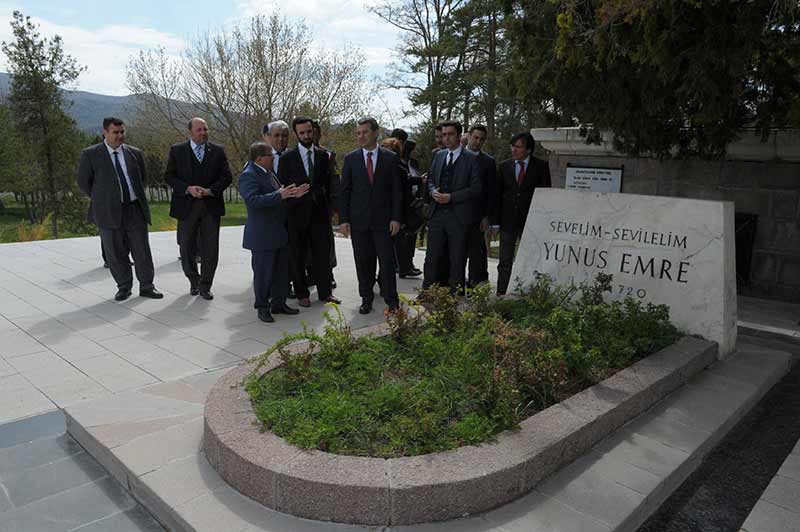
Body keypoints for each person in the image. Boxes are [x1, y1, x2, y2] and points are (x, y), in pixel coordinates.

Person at [77, 117, 162, 301]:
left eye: (122, 132)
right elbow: (84, 182)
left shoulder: (134, 153)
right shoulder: (91, 154)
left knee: (142, 251)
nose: (120, 136)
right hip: (108, 211)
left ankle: (147, 286)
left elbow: (142, 179)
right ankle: (124, 286)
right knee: (115, 252)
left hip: (134, 209)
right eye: (115, 132)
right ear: (104, 132)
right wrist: (103, 198)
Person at [339, 117, 403, 314]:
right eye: (358, 133)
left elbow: (397, 191)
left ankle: (392, 300)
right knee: (363, 262)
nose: (361, 136)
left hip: (384, 221)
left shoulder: (390, 158)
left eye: (365, 132)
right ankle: (366, 299)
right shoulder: (351, 159)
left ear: (376, 133)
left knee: (387, 262)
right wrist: (344, 219)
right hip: (359, 222)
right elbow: (345, 191)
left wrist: (396, 218)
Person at [165, 118, 233, 300]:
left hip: (211, 206)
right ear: (190, 132)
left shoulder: (218, 151)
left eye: (205, 129)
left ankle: (205, 285)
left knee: (211, 248)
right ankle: (193, 280)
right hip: (186, 206)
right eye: (199, 130)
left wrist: (211, 191)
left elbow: (226, 177)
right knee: (186, 246)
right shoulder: (177, 151)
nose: (203, 133)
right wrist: (187, 188)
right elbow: (170, 176)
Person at [239, 142, 306, 323]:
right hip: (262, 235)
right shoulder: (248, 176)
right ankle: (262, 307)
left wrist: (292, 194)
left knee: (281, 272)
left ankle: (279, 303)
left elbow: (279, 195)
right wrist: (280, 195)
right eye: (270, 155)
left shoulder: (269, 173)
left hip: (278, 233)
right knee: (263, 274)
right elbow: (253, 201)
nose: (274, 157)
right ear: (259, 158)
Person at [278, 116, 341, 307]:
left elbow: (330, 185)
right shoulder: (287, 158)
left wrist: (333, 209)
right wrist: (292, 195)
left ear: (314, 131)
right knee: (298, 255)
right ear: (296, 134)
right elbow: (282, 185)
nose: (306, 135)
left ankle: (325, 293)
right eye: (302, 133)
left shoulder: (323, 156)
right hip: (297, 214)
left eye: (309, 132)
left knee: (322, 254)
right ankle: (302, 293)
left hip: (320, 214)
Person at [422, 120, 482, 294]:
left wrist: (451, 197)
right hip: (437, 214)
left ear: (459, 136)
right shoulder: (439, 155)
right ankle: (427, 292)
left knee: (457, 257)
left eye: (450, 134)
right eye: (444, 134)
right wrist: (433, 191)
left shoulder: (471, 158)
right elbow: (431, 179)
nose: (446, 138)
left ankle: (455, 293)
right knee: (431, 256)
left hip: (458, 216)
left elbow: (476, 188)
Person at [492, 132, 551, 295]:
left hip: (530, 223)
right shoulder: (504, 166)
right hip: (507, 222)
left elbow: (545, 196)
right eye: (512, 146)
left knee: (531, 260)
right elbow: (497, 196)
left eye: (518, 147)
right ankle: (502, 293)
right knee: (504, 261)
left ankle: (528, 294)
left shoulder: (541, 166)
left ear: (528, 150)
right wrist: (495, 223)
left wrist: (542, 223)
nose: (513, 150)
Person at [384, 136, 422, 278]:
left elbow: (403, 189)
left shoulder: (400, 167)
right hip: (383, 211)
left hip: (398, 210)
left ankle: (403, 268)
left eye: (391, 151)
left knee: (401, 241)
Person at [464, 124, 497, 288]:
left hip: (477, 215)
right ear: (469, 136)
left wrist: (487, 216)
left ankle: (474, 282)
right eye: (475, 137)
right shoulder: (457, 156)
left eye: (481, 139)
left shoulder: (488, 162)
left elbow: (491, 192)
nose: (478, 142)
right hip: (455, 213)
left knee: (476, 252)